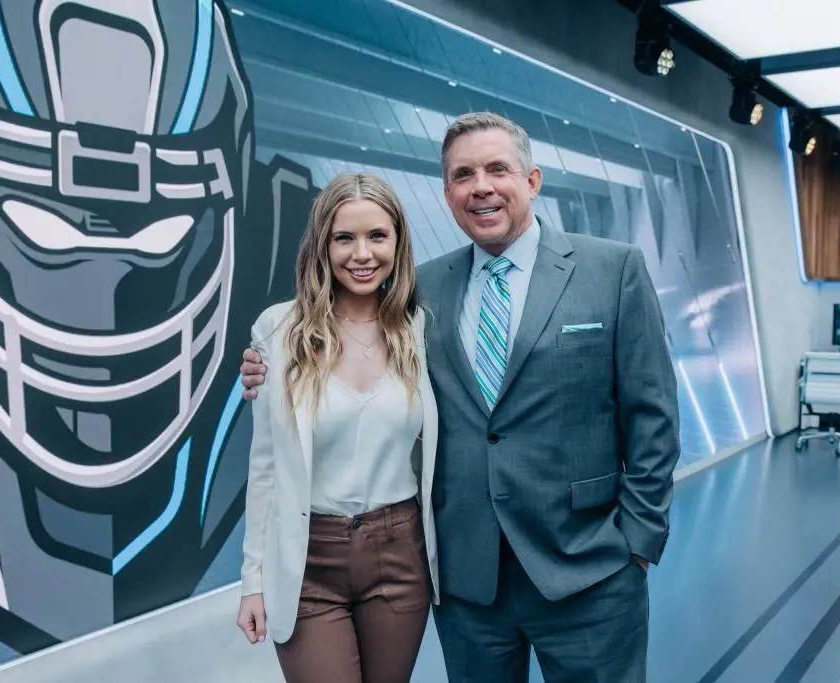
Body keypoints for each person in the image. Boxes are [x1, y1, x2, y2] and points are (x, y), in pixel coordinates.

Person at [240, 112, 680, 683]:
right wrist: (263, 369)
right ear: (447, 192)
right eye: (463, 174)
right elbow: (331, 340)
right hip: (469, 582)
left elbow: (654, 416)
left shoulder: (612, 270)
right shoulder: (422, 292)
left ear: (532, 180)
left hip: (589, 570)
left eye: (497, 168)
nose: (482, 187)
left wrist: (637, 544)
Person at [235, 172, 440, 683]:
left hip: (400, 553)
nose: (362, 253)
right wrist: (251, 580)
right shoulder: (277, 332)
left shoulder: (422, 330)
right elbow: (265, 465)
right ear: (322, 245)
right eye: (344, 238)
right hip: (307, 561)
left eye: (377, 236)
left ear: (398, 243)